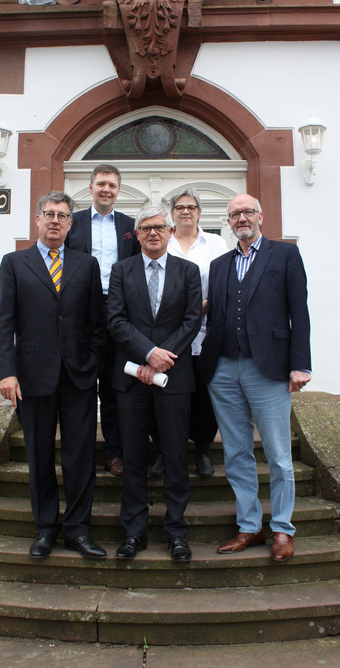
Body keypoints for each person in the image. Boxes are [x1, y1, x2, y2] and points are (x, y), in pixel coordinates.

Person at [197, 194, 311, 562]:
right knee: (236, 453)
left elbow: (299, 311)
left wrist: (300, 364)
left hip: (270, 366)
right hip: (225, 368)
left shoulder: (285, 255)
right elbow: (214, 318)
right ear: (228, 223)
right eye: (234, 214)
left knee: (278, 455)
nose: (241, 218)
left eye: (247, 212)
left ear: (260, 216)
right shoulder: (219, 264)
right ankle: (250, 526)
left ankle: (282, 529)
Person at [0, 191, 107, 561]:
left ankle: (77, 529)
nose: (55, 221)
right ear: (38, 220)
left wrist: (91, 364)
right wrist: (7, 372)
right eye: (49, 214)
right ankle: (45, 529)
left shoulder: (86, 265)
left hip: (78, 378)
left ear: (71, 223)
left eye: (62, 216)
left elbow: (96, 323)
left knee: (80, 456)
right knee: (40, 456)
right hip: (31, 378)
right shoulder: (14, 263)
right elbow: (3, 323)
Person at [107, 204, 202, 562]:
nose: (153, 233)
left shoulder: (189, 271)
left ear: (169, 231)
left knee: (176, 457)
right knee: (133, 459)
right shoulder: (121, 271)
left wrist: (162, 357)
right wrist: (148, 353)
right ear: (138, 233)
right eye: (146, 228)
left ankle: (176, 532)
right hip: (132, 380)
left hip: (175, 380)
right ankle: (134, 532)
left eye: (159, 227)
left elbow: (191, 320)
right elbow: (115, 321)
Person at [66, 164, 140, 476]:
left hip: (118, 309)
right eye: (100, 184)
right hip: (81, 310)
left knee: (113, 386)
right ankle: (79, 452)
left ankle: (113, 452)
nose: (105, 189)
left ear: (118, 190)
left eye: (111, 184)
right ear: (91, 187)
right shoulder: (74, 222)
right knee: (80, 383)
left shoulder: (129, 225)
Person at [148, 187, 228, 480]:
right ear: (172, 213)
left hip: (206, 333)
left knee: (204, 396)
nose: (185, 211)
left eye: (191, 207)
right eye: (179, 206)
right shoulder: (162, 242)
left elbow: (225, 286)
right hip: (167, 337)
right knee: (164, 394)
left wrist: (197, 311)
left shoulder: (216, 244)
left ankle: (203, 450)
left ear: (199, 212)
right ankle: (162, 451)